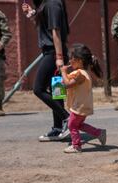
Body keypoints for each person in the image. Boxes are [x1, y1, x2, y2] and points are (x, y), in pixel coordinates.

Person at [22, 0, 70, 141]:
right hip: (51, 52)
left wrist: (59, 57)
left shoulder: (52, 3)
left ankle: (67, 118)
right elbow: (44, 27)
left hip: (53, 53)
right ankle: (58, 128)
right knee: (57, 92)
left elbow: (56, 31)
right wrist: (31, 14)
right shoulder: (46, 4)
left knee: (38, 88)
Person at [60, 44, 106, 153]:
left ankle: (76, 146)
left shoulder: (80, 75)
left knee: (71, 125)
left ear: (79, 61)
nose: (70, 61)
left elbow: (67, 84)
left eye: (72, 59)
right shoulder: (81, 73)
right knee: (78, 125)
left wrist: (63, 72)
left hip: (80, 106)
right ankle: (99, 133)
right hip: (82, 105)